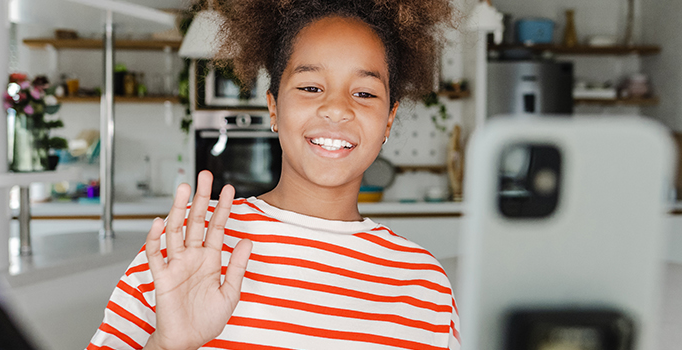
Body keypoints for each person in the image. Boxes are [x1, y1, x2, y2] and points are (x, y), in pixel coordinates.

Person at [87, 0, 455, 348]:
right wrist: (167, 346)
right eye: (311, 87)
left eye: (364, 93)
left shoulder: (424, 284)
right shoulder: (187, 247)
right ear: (274, 107)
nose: (336, 109)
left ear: (389, 119)